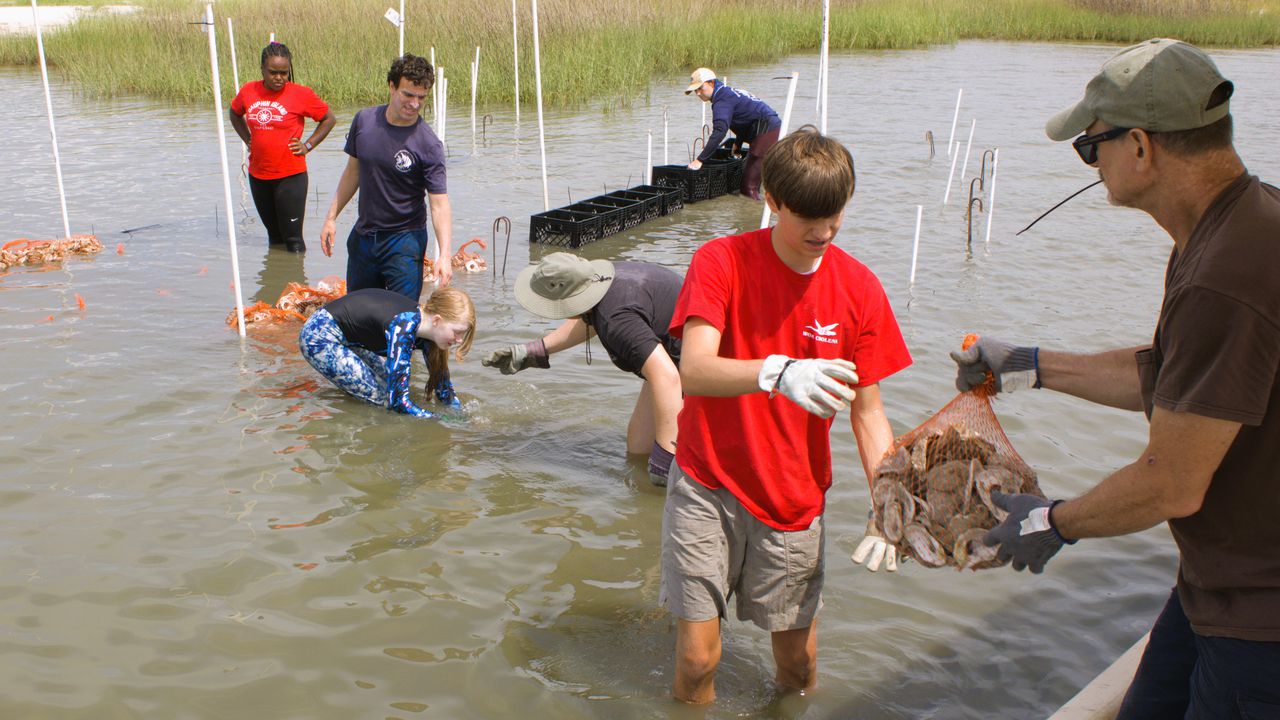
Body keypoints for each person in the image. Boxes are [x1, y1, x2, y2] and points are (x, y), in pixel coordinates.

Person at [952, 39, 1280, 718]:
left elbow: (1172, 483)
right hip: (1213, 589)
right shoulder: (1239, 224)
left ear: (1140, 147)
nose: (1091, 164)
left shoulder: (1230, 271)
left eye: (1090, 147)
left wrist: (1052, 522)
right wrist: (1030, 365)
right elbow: (1170, 378)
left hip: (1261, 623)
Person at [663, 126, 912, 704]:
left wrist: (889, 502)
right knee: (699, 661)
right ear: (771, 201)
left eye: (835, 216)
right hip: (708, 483)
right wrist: (776, 373)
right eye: (808, 219)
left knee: (798, 669)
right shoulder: (720, 261)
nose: (823, 232)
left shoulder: (860, 289)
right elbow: (694, 370)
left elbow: (868, 414)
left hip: (793, 499)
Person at [480, 253, 684, 484]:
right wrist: (534, 350)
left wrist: (667, 458)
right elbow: (593, 316)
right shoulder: (602, 282)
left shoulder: (617, 319)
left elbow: (667, 378)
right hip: (667, 357)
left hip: (691, 365)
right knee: (638, 448)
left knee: (668, 471)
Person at [319, 54, 454, 298]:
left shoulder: (429, 144)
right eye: (408, 95)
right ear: (391, 87)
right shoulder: (364, 121)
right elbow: (353, 171)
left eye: (421, 98)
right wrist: (331, 218)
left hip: (405, 242)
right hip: (364, 238)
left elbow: (439, 205)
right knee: (360, 315)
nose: (414, 104)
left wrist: (444, 255)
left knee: (402, 318)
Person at [299, 286, 475, 418]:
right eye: (457, 332)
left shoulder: (429, 335)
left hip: (349, 338)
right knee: (384, 400)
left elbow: (444, 391)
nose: (459, 340)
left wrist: (462, 417)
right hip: (319, 336)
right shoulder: (403, 326)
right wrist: (439, 419)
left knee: (386, 383)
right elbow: (399, 403)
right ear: (437, 320)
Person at [230, 42, 336, 254]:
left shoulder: (300, 94)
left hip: (290, 177)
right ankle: (275, 283)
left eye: (284, 73)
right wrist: (248, 139)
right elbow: (234, 113)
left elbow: (328, 119)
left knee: (293, 239)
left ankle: (298, 281)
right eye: (273, 72)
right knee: (274, 238)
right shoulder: (249, 91)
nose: (279, 77)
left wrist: (307, 145)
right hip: (258, 176)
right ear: (262, 69)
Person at [684, 67, 781, 200]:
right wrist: (738, 143)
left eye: (700, 88)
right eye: (695, 90)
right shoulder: (726, 92)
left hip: (766, 130)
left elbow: (720, 131)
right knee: (760, 177)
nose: (697, 93)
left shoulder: (722, 101)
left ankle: (753, 218)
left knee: (748, 187)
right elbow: (746, 116)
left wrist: (700, 160)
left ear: (711, 83)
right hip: (769, 128)